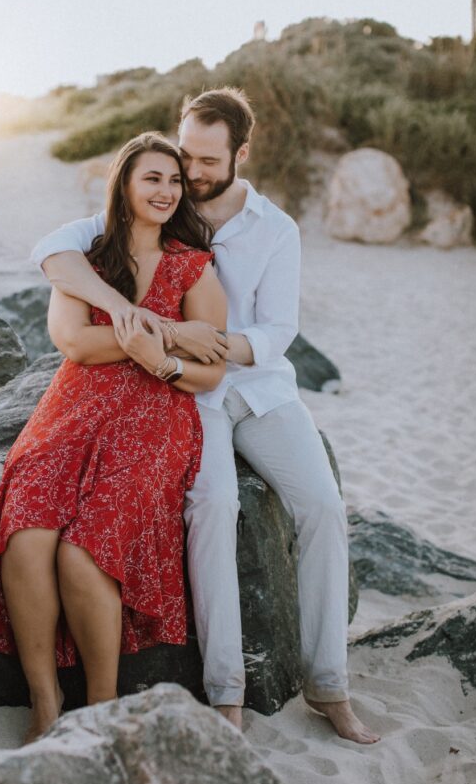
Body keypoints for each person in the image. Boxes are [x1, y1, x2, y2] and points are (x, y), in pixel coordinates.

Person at [31, 88, 380, 744]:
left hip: (261, 386)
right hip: (189, 395)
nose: (188, 171)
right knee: (213, 505)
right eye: (184, 152)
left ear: (240, 155)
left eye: (205, 160)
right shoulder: (158, 199)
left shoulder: (275, 229)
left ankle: (329, 686)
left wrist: (216, 343)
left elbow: (279, 329)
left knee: (324, 507)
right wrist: (141, 320)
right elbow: (53, 250)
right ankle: (227, 693)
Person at [0, 132, 227, 744]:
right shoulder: (89, 259)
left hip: (158, 414)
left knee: (84, 554)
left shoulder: (193, 264)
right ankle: (45, 702)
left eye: (174, 180)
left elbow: (212, 364)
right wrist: (163, 330)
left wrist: (158, 358)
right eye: (151, 178)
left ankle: (102, 709)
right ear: (125, 186)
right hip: (71, 411)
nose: (165, 191)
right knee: (26, 536)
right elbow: (74, 343)